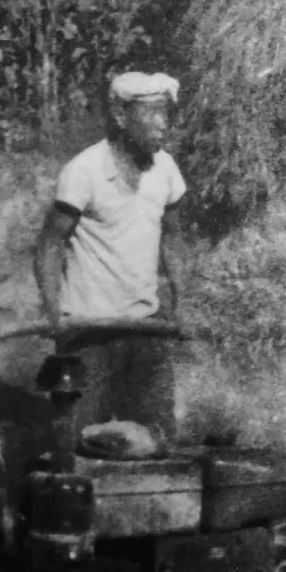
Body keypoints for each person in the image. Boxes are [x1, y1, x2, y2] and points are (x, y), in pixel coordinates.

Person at [34, 71, 188, 443]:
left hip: (145, 328)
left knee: (155, 440)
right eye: (151, 113)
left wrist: (182, 303)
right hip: (88, 328)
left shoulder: (165, 168)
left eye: (165, 114)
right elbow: (50, 244)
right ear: (121, 116)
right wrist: (53, 310)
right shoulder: (84, 172)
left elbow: (173, 239)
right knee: (83, 441)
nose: (162, 124)